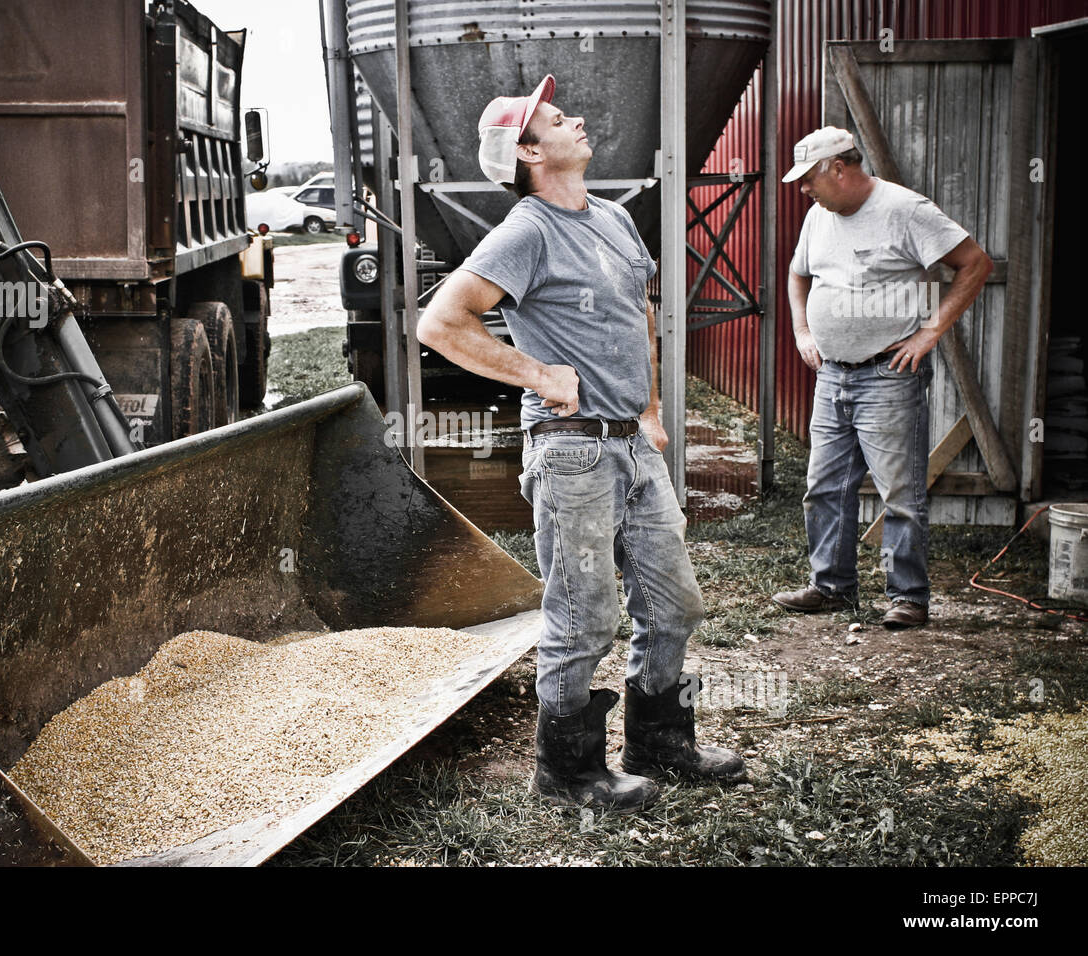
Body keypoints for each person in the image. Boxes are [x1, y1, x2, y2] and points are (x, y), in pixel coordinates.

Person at [416, 75, 745, 814]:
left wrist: (654, 409)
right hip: (574, 452)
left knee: (675, 604)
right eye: (560, 121)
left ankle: (661, 741)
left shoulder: (615, 221)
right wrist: (536, 373)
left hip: (632, 445)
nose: (580, 122)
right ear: (528, 151)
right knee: (585, 613)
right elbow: (440, 324)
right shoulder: (526, 231)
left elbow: (643, 319)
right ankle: (566, 772)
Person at [771, 126, 993, 629]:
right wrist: (804, 330)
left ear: (839, 168)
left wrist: (929, 332)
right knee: (824, 486)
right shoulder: (817, 216)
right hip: (831, 375)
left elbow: (974, 263)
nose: (803, 189)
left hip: (888, 375)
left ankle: (908, 597)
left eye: (809, 179)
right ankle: (831, 586)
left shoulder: (906, 210)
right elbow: (797, 273)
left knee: (899, 493)